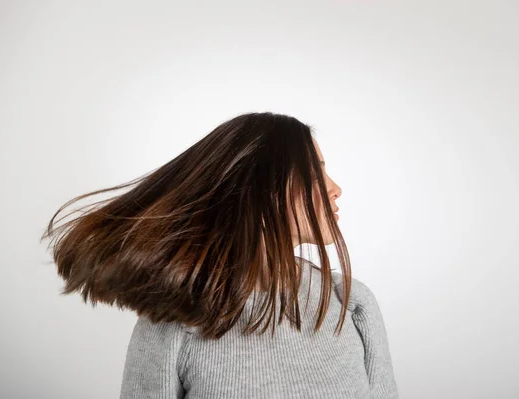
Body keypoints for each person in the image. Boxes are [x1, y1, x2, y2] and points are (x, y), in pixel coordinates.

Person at [41, 111, 399, 398]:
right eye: (314, 171)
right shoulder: (178, 319)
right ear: (259, 188)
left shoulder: (350, 303)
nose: (335, 189)